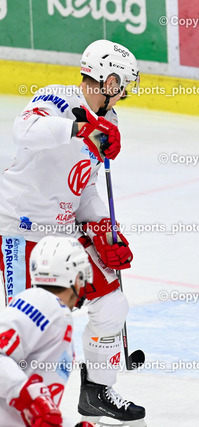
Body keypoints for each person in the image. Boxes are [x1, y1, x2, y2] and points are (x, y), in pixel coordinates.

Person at [0, 40, 145, 425]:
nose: (124, 93)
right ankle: (21, 412)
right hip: (20, 228)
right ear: (108, 80)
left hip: (64, 229)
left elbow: (86, 186)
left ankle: (97, 392)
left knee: (112, 304)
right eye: (122, 86)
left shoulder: (110, 123)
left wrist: (103, 230)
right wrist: (81, 128)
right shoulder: (57, 99)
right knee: (29, 333)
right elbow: (23, 130)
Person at [0, 236, 92, 426]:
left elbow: (37, 414)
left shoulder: (47, 306)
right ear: (76, 279)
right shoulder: (46, 303)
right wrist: (31, 397)